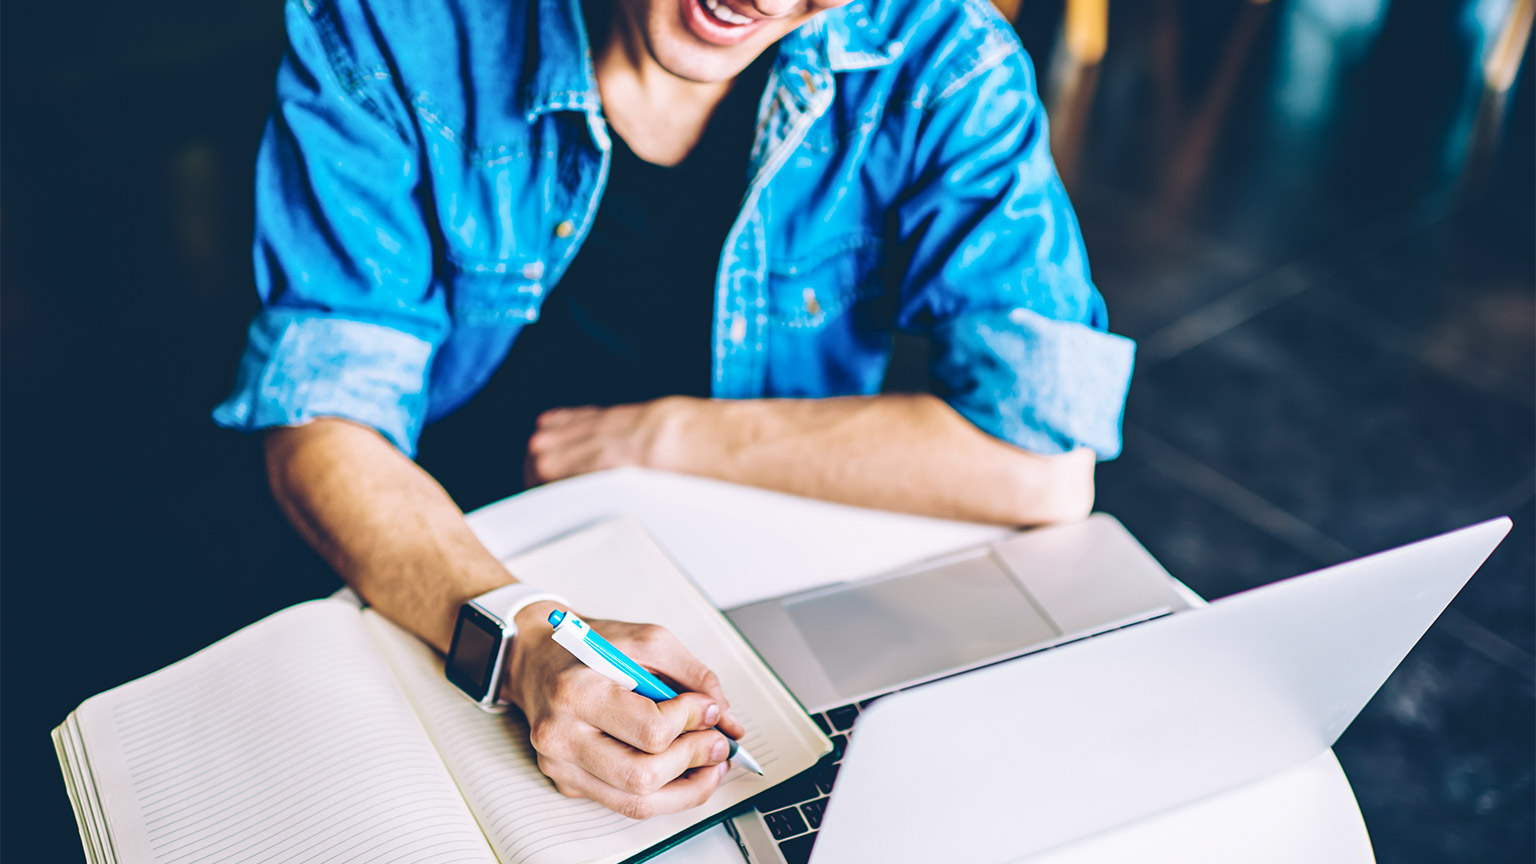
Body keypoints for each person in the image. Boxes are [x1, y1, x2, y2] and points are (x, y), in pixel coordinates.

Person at [214, 0, 1134, 820]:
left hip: (738, 574)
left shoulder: (943, 54)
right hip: (436, 559)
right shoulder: (392, 25)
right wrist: (525, 642)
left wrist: (665, 434)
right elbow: (322, 421)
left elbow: (1043, 465)